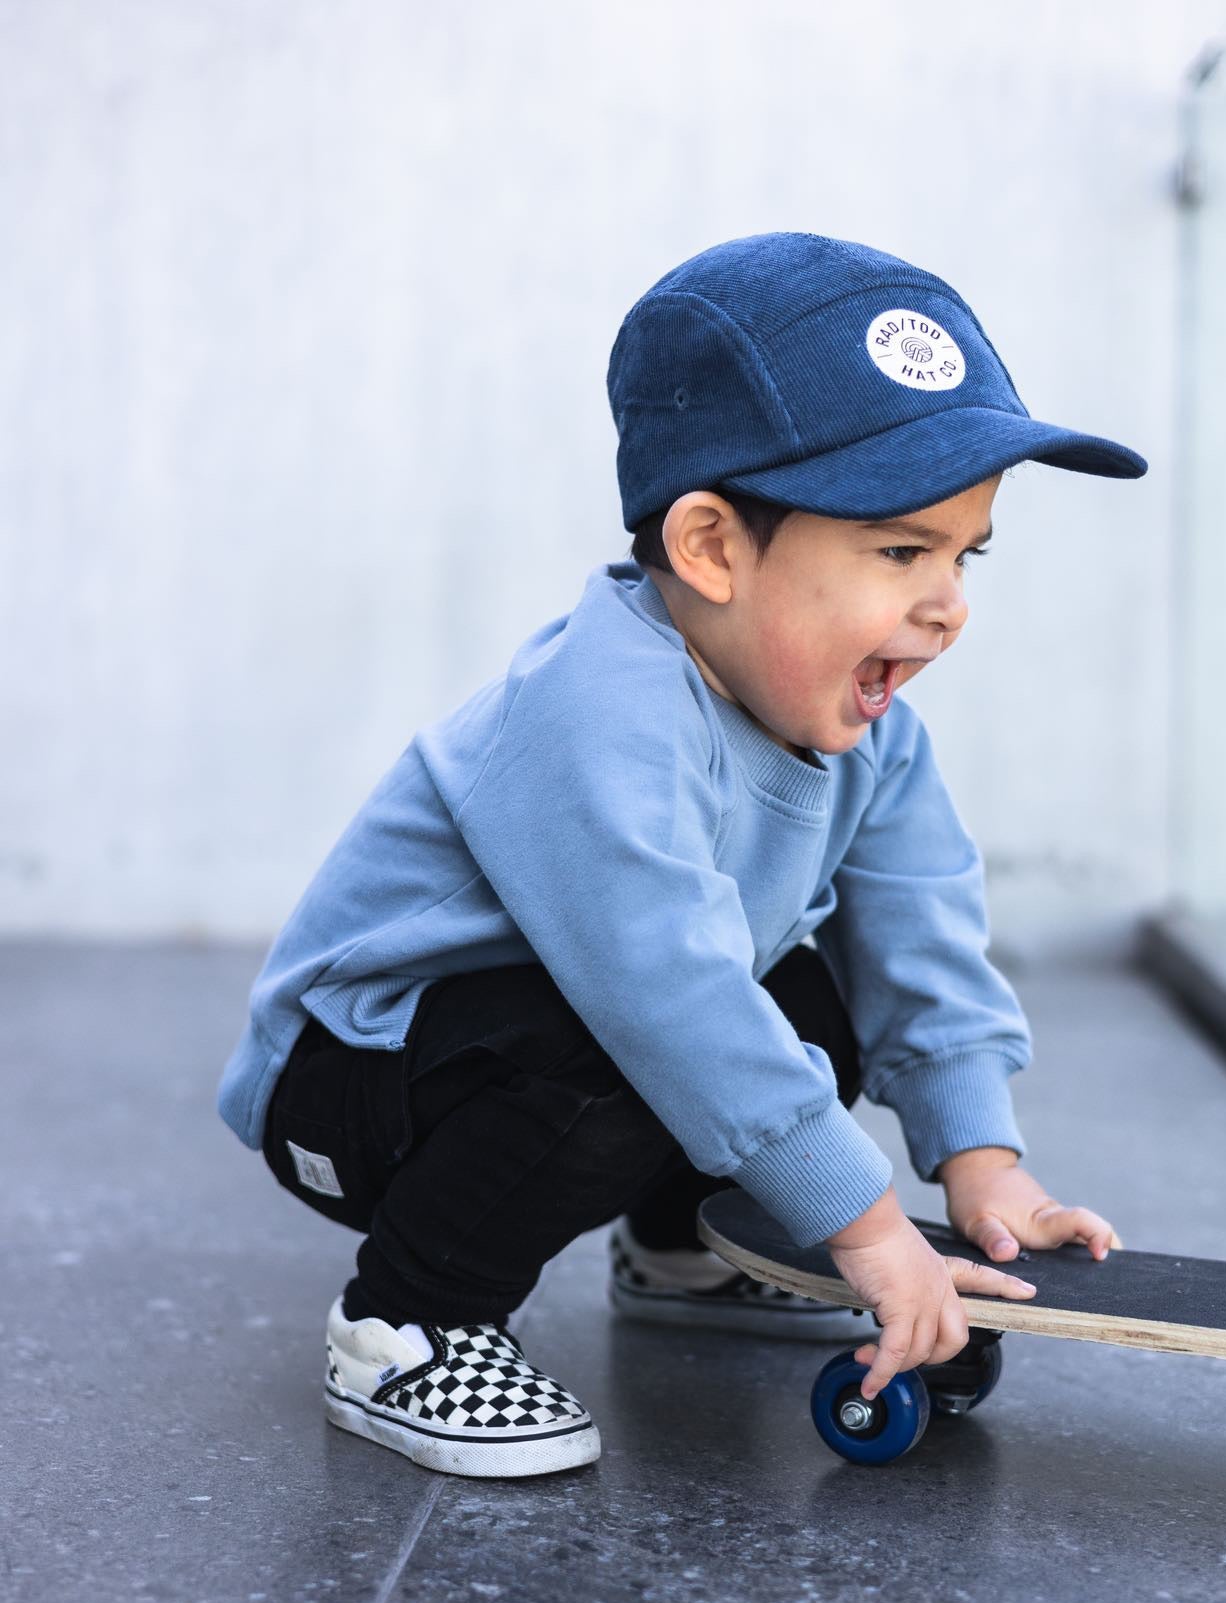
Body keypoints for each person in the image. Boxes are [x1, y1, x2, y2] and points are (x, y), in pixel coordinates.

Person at [216, 231, 1138, 1479]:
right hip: (358, 1080)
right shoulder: (598, 710)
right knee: (652, 1027)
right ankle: (405, 1321)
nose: (950, 604)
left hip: (561, 1040)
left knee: (813, 992)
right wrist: (866, 1228)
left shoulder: (874, 736)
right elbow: (663, 991)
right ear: (711, 548)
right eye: (902, 552)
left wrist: (983, 1165)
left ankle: (681, 1245)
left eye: (967, 554)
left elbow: (926, 944)